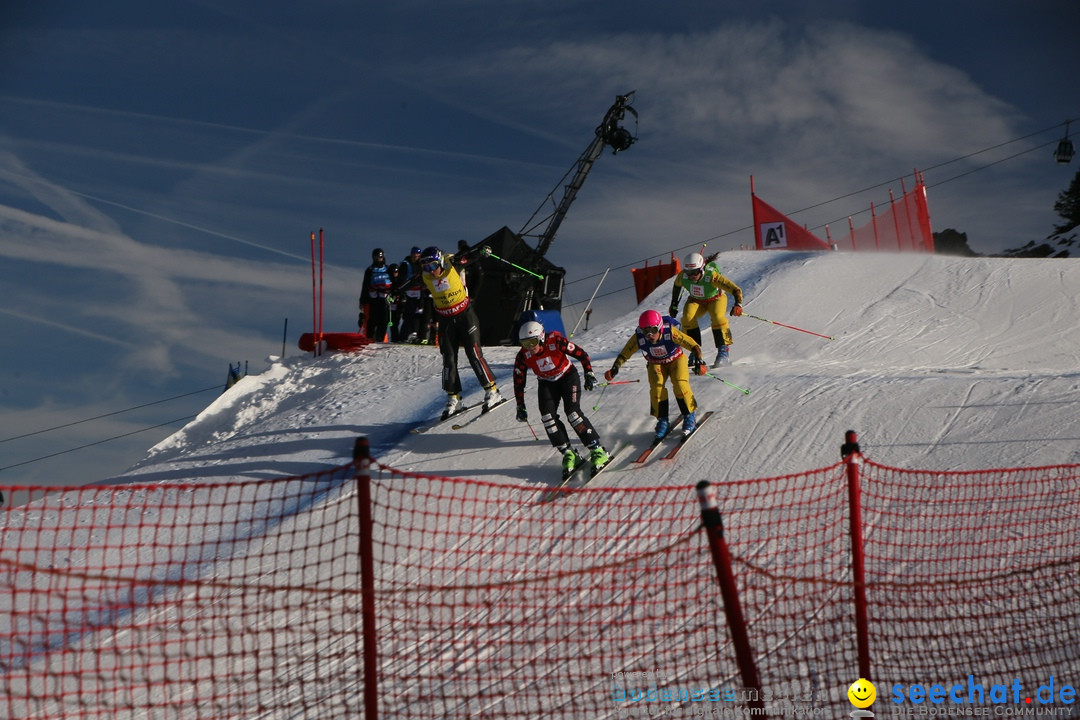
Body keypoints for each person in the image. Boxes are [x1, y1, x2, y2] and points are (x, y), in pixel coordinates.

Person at [513, 320, 610, 478]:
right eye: (525, 343)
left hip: (567, 377)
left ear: (542, 338)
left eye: (533, 342)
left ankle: (597, 449)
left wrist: (589, 374)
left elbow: (581, 354)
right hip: (546, 383)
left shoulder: (556, 342)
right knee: (547, 418)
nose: (530, 347)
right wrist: (520, 405)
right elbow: (518, 381)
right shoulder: (523, 356)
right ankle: (569, 454)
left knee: (572, 413)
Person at [419, 246, 504, 419]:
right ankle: (454, 398)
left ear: (441, 261)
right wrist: (394, 294)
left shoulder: (453, 264)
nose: (431, 271)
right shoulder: (425, 276)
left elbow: (470, 257)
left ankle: (493, 391)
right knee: (448, 358)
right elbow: (410, 282)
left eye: (433, 265)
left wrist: (483, 251)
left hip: (465, 315)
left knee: (473, 353)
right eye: (426, 267)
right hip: (445, 320)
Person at [604, 309, 706, 440]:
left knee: (680, 384)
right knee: (656, 389)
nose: (649, 335)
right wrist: (614, 369)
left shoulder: (670, 332)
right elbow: (625, 353)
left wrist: (699, 361)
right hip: (656, 363)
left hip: (676, 359)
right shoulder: (639, 337)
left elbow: (693, 345)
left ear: (659, 328)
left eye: (652, 330)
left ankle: (689, 416)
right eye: (645, 331)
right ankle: (662, 420)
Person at [669, 252, 744, 367]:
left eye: (694, 272)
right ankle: (695, 352)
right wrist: (674, 304)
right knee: (687, 318)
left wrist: (738, 304)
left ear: (702, 269)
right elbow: (677, 285)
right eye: (688, 272)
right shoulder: (683, 276)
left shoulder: (711, 276)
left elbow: (735, 290)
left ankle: (723, 352)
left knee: (717, 317)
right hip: (696, 300)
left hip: (715, 299)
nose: (691, 276)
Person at [359, 248, 393, 341]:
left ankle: (380, 338)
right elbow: (365, 285)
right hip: (373, 297)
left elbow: (394, 282)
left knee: (384, 319)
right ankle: (369, 337)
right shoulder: (370, 270)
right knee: (372, 318)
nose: (378, 259)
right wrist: (362, 300)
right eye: (376, 257)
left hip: (385, 297)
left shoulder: (388, 268)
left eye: (380, 257)